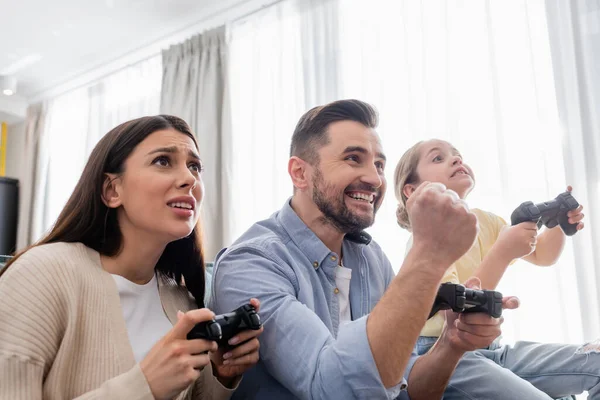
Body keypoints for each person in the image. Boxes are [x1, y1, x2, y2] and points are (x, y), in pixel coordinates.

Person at [209, 99, 519, 400]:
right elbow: (332, 390)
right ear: (299, 173)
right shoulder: (249, 264)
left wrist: (451, 344)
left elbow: (411, 389)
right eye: (353, 159)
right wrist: (428, 256)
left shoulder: (372, 260)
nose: (374, 179)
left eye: (379, 164)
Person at [0, 115, 263, 400]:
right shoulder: (40, 274)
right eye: (163, 161)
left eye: (195, 166)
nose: (190, 178)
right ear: (112, 190)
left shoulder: (180, 299)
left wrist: (222, 371)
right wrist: (145, 386)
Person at [394, 138, 600, 399]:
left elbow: (542, 255)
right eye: (438, 158)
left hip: (495, 350)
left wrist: (556, 222)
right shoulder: (423, 241)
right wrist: (503, 251)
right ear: (412, 190)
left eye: (457, 155)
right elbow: (458, 314)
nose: (457, 159)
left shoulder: (485, 221)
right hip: (445, 357)